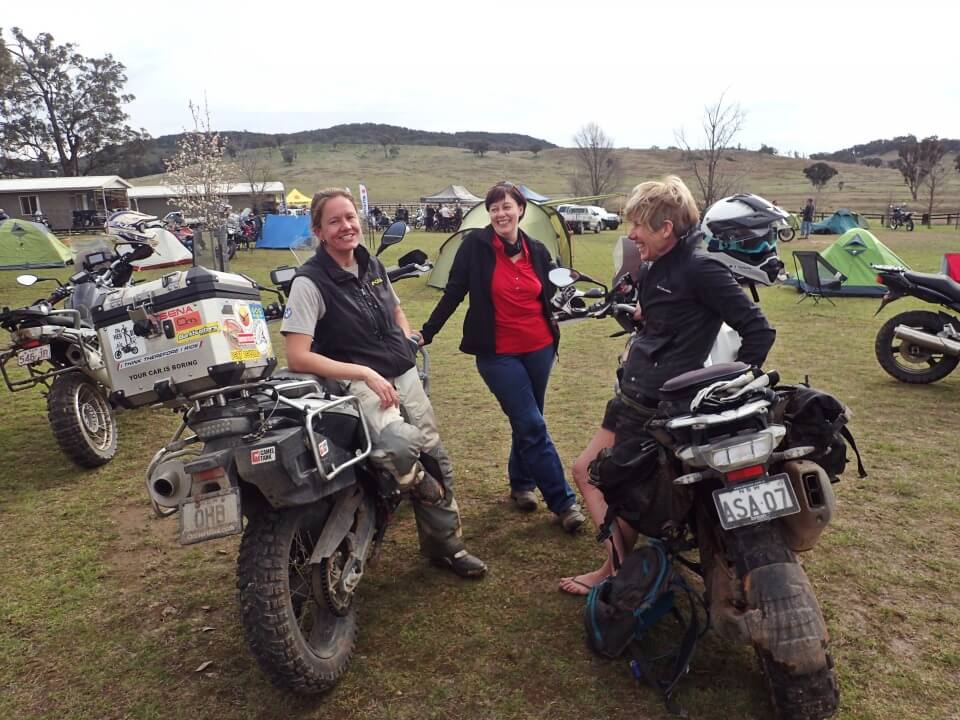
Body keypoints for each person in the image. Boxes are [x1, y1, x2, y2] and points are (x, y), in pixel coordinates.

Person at [559, 177, 776, 595]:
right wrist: (645, 318)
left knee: (597, 475)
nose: (631, 234)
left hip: (656, 406)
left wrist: (730, 386)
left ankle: (614, 572)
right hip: (633, 396)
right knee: (605, 479)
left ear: (666, 228)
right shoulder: (661, 266)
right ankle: (619, 566)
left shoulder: (701, 268)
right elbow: (672, 317)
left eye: (639, 225)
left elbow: (758, 331)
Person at [281, 188, 487, 579]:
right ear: (319, 231)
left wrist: (407, 337)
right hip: (361, 382)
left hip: (403, 372)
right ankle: (415, 484)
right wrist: (364, 373)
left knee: (433, 453)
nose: (346, 226)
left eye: (350, 217)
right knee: (400, 445)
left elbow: (396, 309)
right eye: (335, 221)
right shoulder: (309, 282)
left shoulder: (370, 264)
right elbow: (298, 356)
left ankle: (447, 548)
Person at [418, 181, 585, 533]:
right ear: (488, 213)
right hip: (497, 353)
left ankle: (522, 483)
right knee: (532, 423)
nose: (500, 213)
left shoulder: (537, 249)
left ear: (520, 209)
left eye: (506, 206)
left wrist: (575, 296)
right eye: (494, 208)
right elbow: (453, 293)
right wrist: (427, 332)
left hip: (539, 347)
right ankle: (564, 502)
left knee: (527, 419)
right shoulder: (473, 247)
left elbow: (554, 289)